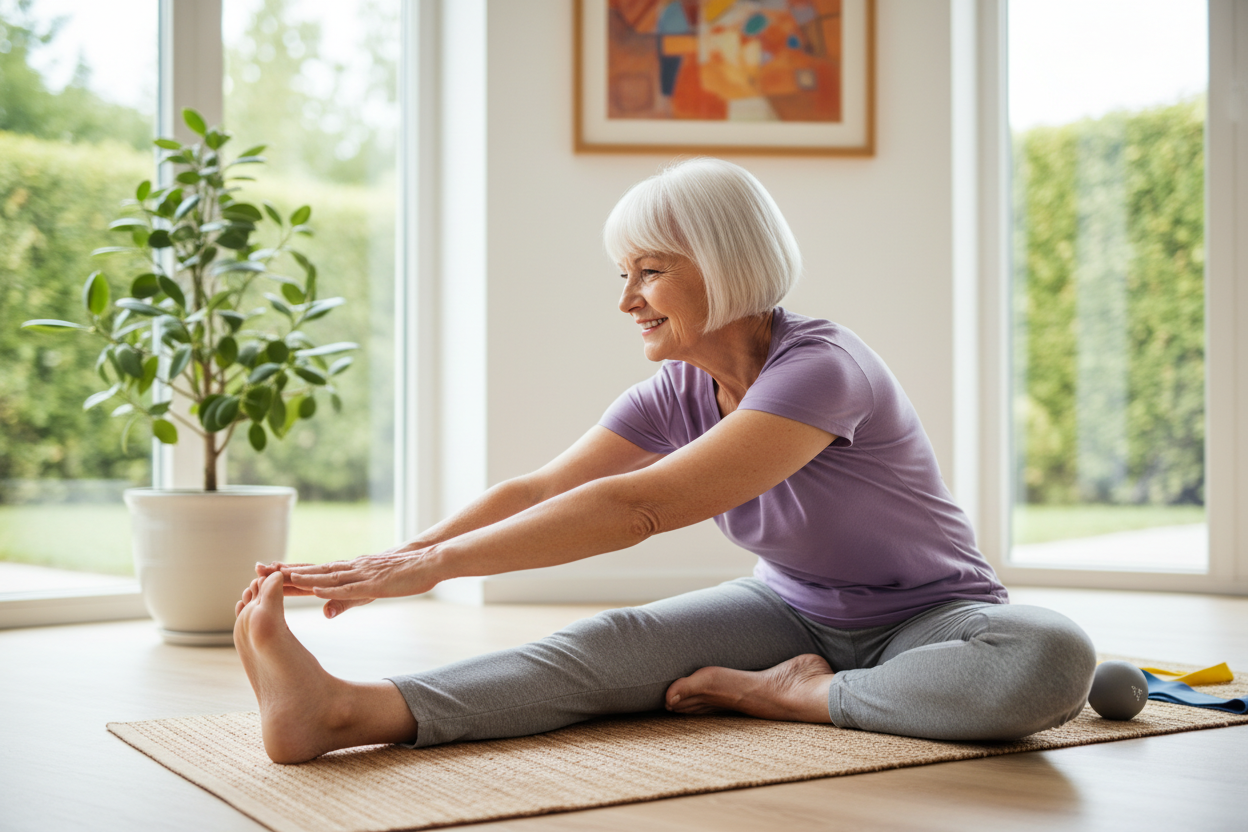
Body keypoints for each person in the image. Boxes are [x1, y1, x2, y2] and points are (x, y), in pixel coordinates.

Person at [233, 158, 1097, 765]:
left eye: (648, 271)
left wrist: (432, 568)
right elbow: (539, 489)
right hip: (788, 614)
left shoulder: (823, 369)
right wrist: (392, 561)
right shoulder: (677, 391)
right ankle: (347, 711)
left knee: (1050, 654)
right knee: (613, 642)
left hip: (932, 618)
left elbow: (637, 508)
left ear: (724, 267)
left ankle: (791, 696)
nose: (625, 299)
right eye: (624, 272)